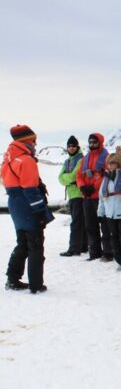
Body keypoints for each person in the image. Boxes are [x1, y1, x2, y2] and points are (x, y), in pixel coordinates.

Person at [2, 124, 54, 293]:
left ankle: (12, 279)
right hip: (27, 206)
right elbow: (30, 190)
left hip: (15, 204)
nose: (35, 144)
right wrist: (39, 211)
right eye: (33, 140)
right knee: (35, 245)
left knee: (23, 243)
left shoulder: (8, 159)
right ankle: (36, 285)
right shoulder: (26, 160)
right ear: (26, 141)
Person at [76, 133, 112, 261]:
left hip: (101, 197)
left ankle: (108, 252)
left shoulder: (107, 157)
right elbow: (79, 175)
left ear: (100, 142)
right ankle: (94, 252)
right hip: (87, 196)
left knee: (105, 225)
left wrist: (93, 187)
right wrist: (82, 187)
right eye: (90, 142)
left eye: (94, 142)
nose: (92, 145)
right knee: (90, 225)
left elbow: (107, 175)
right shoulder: (85, 158)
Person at [58, 135, 87, 256]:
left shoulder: (81, 159)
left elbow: (74, 176)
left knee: (76, 222)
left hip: (79, 194)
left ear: (77, 147)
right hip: (72, 195)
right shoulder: (67, 161)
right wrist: (68, 179)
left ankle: (74, 248)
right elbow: (60, 178)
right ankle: (83, 246)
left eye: (73, 146)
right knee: (80, 221)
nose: (71, 148)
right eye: (69, 146)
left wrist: (68, 179)